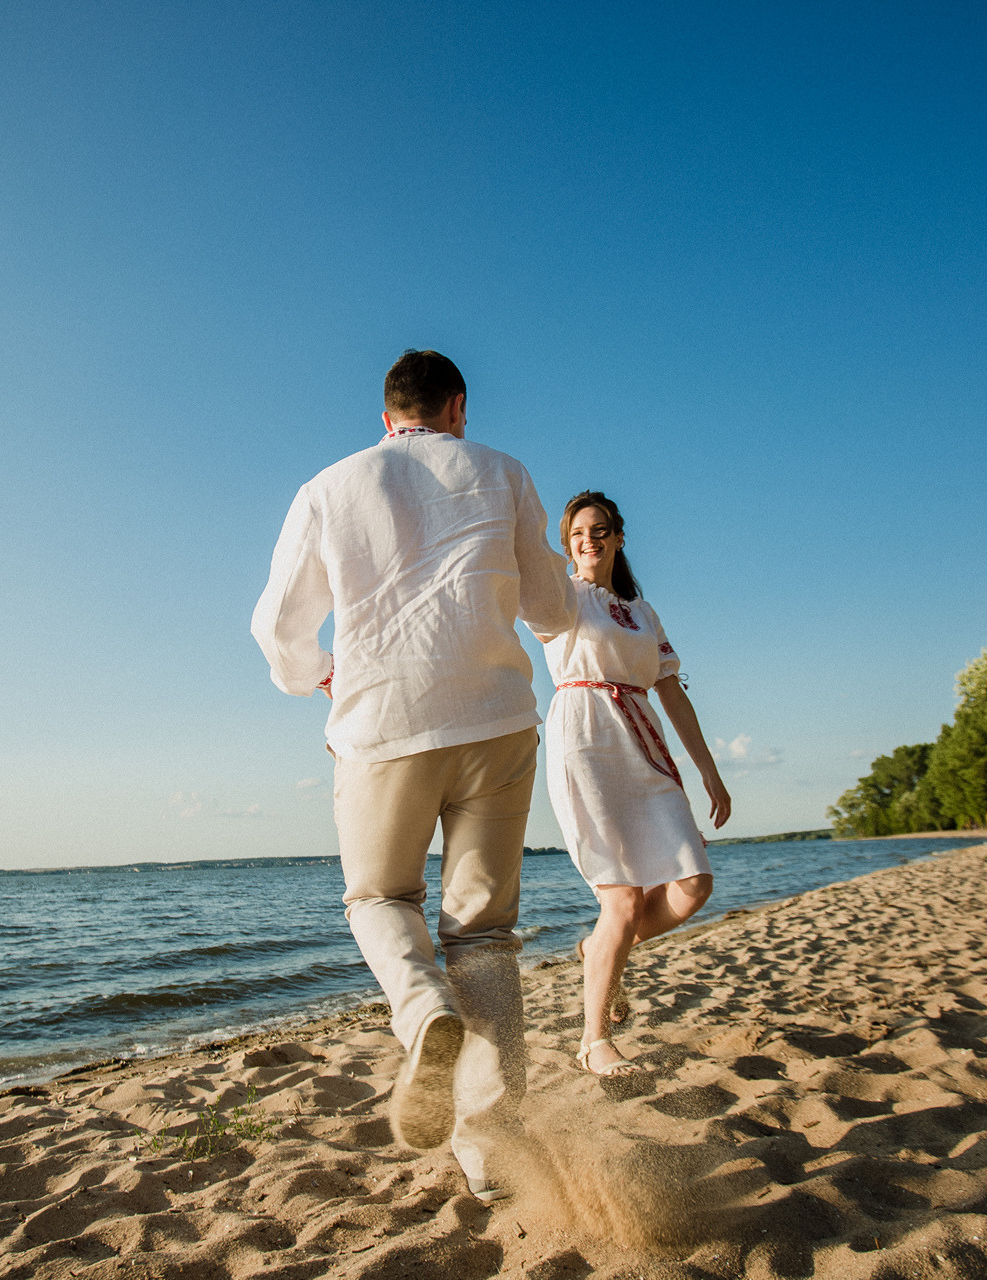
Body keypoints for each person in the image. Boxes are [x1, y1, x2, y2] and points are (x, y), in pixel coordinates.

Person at [251, 349, 576, 1201]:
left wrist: (310, 672)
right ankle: (490, 1148)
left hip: (381, 724)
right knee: (484, 934)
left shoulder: (330, 484)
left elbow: (278, 623)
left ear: (387, 413)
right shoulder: (503, 472)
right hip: (498, 719)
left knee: (381, 899)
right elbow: (550, 607)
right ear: (457, 406)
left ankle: (422, 1011)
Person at [535, 491, 731, 1077]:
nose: (588, 541)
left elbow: (671, 689)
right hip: (586, 737)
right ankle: (594, 1041)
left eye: (599, 531)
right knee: (620, 898)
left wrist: (709, 768)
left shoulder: (644, 614)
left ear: (618, 536)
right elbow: (518, 581)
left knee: (693, 883)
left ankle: (599, 951)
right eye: (576, 535)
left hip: (643, 740)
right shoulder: (560, 594)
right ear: (567, 546)